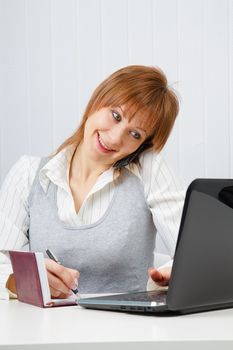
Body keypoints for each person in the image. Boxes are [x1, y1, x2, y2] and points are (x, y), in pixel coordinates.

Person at [0, 65, 185, 300]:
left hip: (126, 330)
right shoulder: (27, 174)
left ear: (143, 145)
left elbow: (195, 252)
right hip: (45, 331)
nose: (115, 137)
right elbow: (1, 264)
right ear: (98, 100)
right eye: (115, 115)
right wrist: (21, 280)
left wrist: (172, 275)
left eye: (135, 134)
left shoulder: (149, 170)